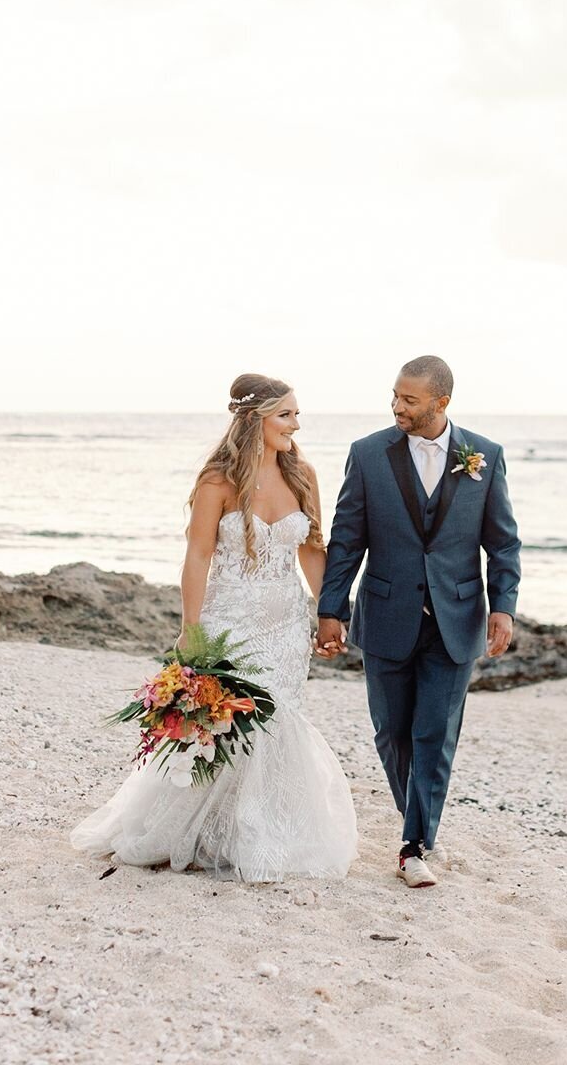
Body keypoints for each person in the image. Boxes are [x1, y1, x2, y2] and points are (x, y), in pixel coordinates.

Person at [70, 373, 357, 881]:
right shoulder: (217, 481)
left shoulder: (302, 475)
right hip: (231, 619)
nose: (296, 423)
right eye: (285, 414)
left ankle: (262, 831)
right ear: (255, 419)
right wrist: (191, 628)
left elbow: (313, 549)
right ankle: (201, 831)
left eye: (295, 413)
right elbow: (199, 554)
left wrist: (329, 613)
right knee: (230, 726)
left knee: (277, 721)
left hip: (286, 623)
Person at [316, 355, 520, 888]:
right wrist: (330, 609)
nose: (397, 407)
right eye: (395, 396)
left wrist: (504, 606)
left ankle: (413, 845)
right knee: (392, 732)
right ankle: (421, 823)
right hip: (386, 613)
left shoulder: (485, 456)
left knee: (435, 732)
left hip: (456, 617)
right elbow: (347, 539)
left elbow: (502, 542)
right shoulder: (367, 454)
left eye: (409, 399)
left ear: (441, 402)